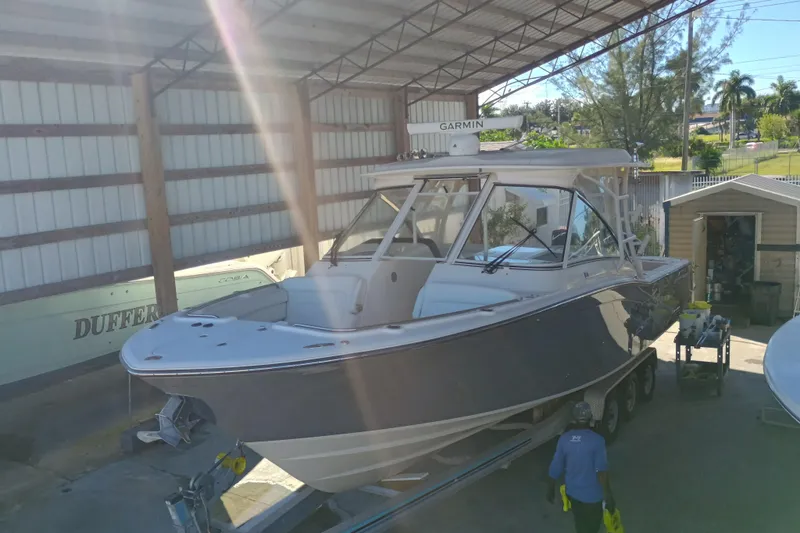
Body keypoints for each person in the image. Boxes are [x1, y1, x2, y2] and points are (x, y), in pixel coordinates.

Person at [546, 402, 615, 533]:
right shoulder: (597, 440)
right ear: (590, 418)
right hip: (592, 496)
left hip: (573, 493)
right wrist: (608, 495)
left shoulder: (564, 439)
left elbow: (556, 465)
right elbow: (601, 472)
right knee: (592, 527)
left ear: (573, 419)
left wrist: (550, 488)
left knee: (580, 523)